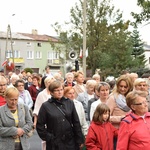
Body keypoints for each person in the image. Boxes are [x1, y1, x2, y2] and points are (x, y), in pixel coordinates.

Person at [36, 80, 84, 150]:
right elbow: (40, 125)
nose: (60, 92)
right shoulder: (46, 106)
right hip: (54, 142)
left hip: (70, 140)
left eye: (61, 89)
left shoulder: (69, 103)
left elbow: (76, 122)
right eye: (56, 90)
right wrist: (48, 137)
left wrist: (79, 139)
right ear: (51, 92)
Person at [106, 74, 133, 149]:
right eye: (121, 86)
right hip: (117, 133)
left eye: (125, 87)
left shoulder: (131, 98)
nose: (123, 89)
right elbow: (105, 117)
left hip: (130, 132)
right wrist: (121, 118)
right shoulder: (112, 98)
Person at [33, 76, 55, 150]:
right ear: (45, 84)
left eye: (52, 82)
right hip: (45, 121)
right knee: (46, 141)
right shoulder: (41, 94)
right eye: (49, 82)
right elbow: (37, 108)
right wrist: (35, 122)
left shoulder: (57, 94)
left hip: (55, 121)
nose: (50, 84)